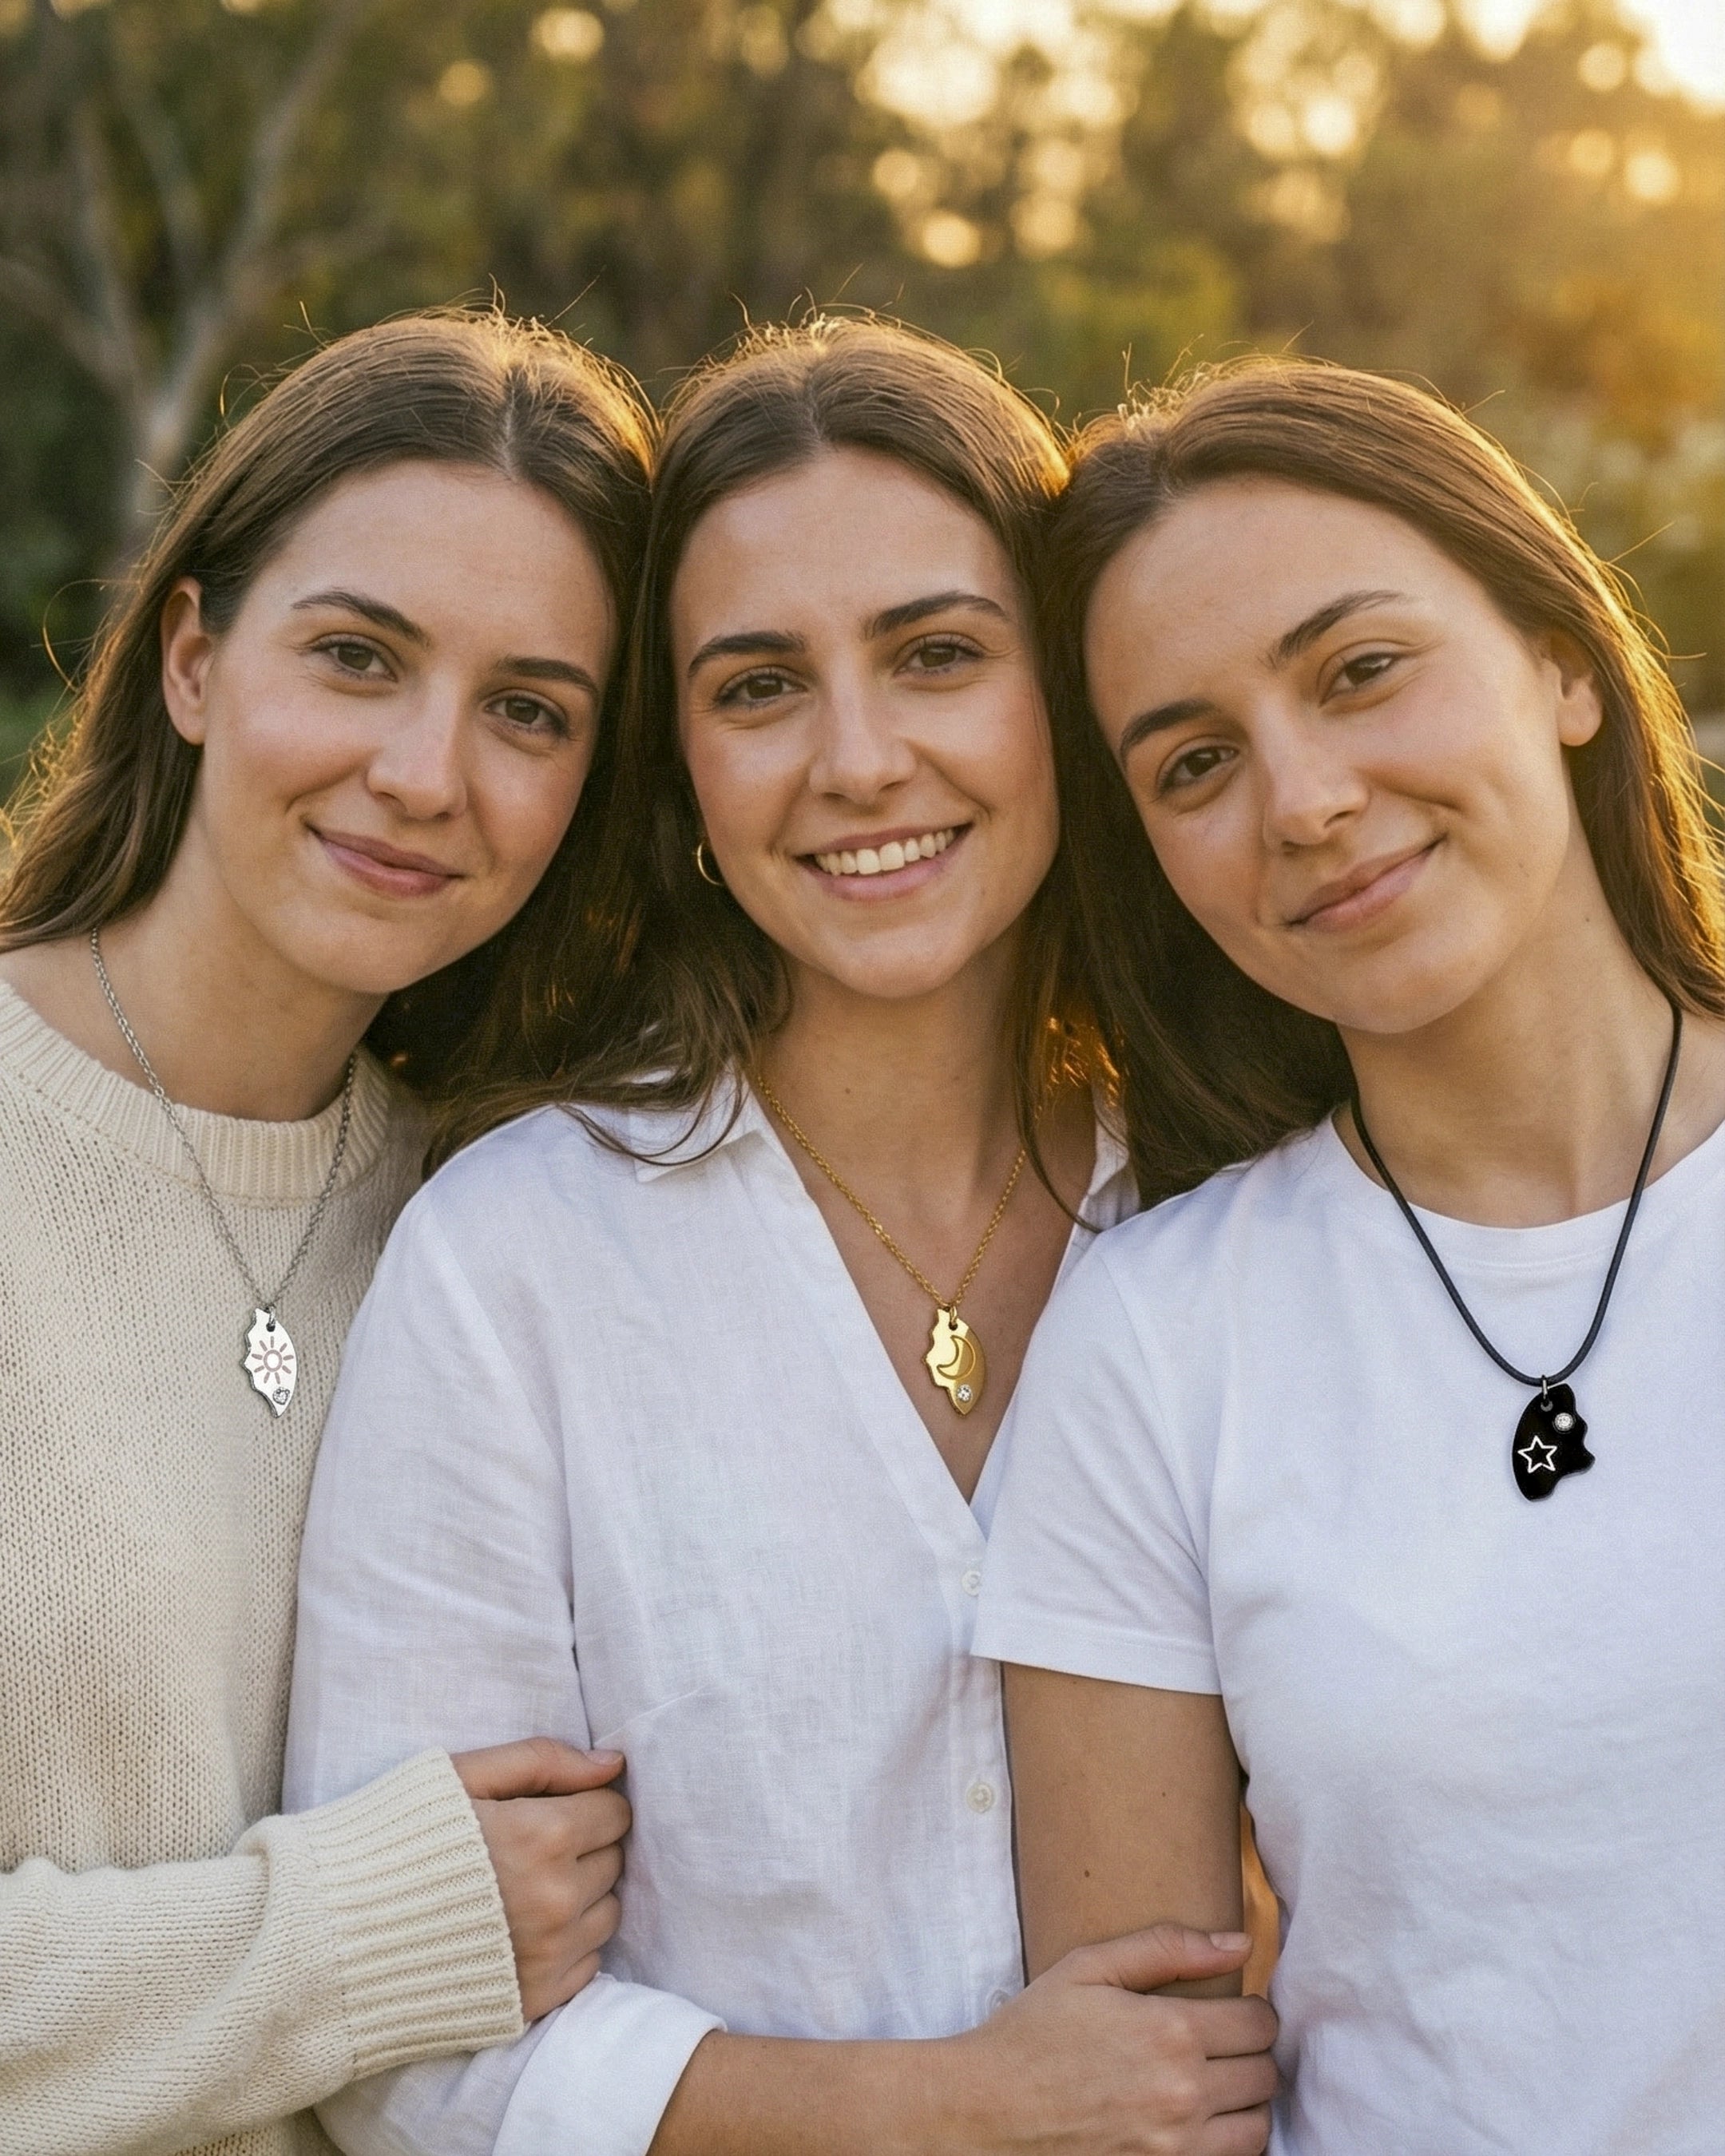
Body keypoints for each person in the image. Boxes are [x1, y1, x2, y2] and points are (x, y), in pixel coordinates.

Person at [285, 316, 1279, 2156]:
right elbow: (410, 2057)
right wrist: (963, 2111)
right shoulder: (516, 1264)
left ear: (1060, 694)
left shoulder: (1258, 1213)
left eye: (937, 656)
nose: (859, 758)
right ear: (678, 778)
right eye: (757, 688)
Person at [974, 358, 1725, 2154]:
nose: (1302, 801)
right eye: (1195, 762)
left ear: (1560, 661)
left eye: (1361, 670)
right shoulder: (1160, 1342)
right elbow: (1148, 2099)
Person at [0, 309, 656, 2156]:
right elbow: (445, 1912)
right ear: (196, 659)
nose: (427, 773)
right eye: (358, 657)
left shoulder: (502, 1221)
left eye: (529, 710)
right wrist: (366, 1933)